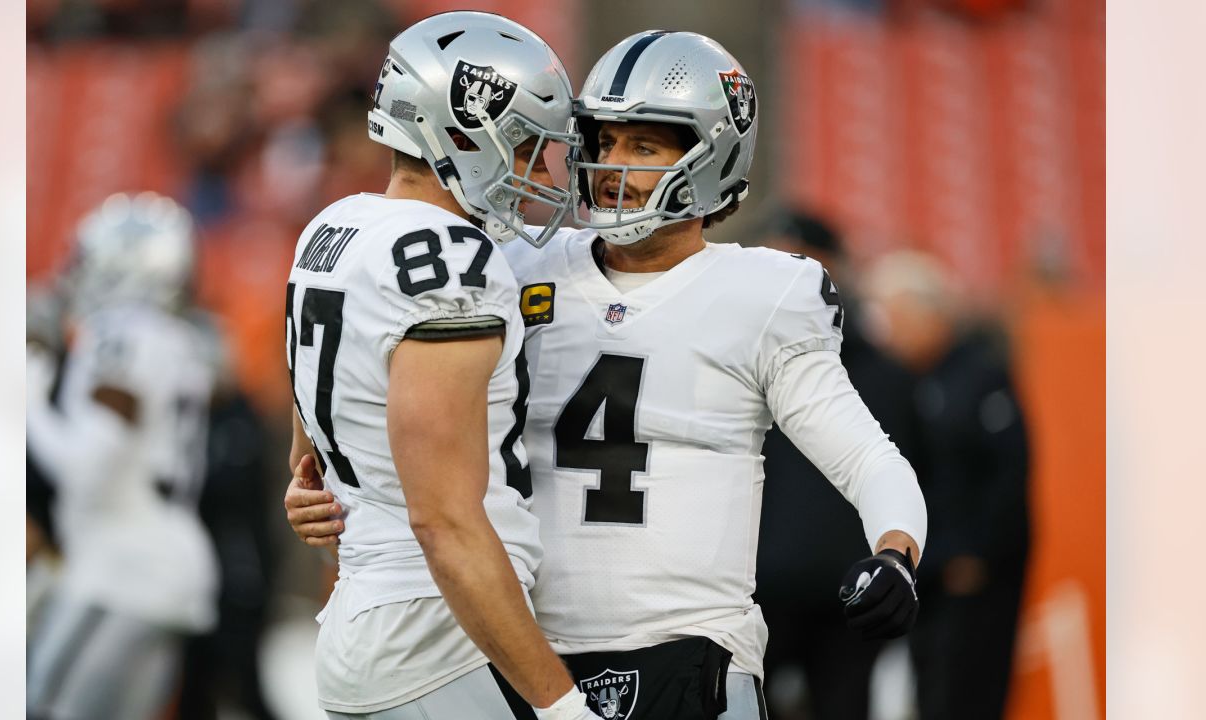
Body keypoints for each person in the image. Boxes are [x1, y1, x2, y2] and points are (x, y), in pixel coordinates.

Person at [289, 30, 929, 720]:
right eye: (602, 142)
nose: (611, 165)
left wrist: (894, 552)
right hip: (526, 653)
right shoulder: (511, 263)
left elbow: (869, 459)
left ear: (711, 157)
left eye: (644, 147)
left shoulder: (764, 295)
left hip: (687, 648)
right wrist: (324, 484)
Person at [283, 11, 600, 720]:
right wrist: (561, 706)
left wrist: (314, 482)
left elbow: (311, 438)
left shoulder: (333, 227)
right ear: (462, 137)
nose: (538, 173)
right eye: (524, 147)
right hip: (439, 633)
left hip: (368, 618)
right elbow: (445, 522)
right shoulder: (450, 259)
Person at [26, 192, 221, 720]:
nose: (77, 273)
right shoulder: (175, 342)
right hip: (161, 567)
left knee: (46, 709)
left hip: (122, 569)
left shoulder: (122, 337)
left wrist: (28, 403)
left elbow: (85, 469)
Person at [750, 211, 922, 719]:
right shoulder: (735, 359)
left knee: (844, 706)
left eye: (800, 261)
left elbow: (906, 470)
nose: (786, 276)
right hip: (757, 586)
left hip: (849, 587)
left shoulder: (888, 373)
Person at [861, 251, 1031, 720]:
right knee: (928, 687)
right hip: (926, 569)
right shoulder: (899, 382)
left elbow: (1009, 472)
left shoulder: (979, 375)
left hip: (973, 574)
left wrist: (976, 553)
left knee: (967, 690)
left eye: (895, 318)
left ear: (928, 313)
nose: (887, 333)